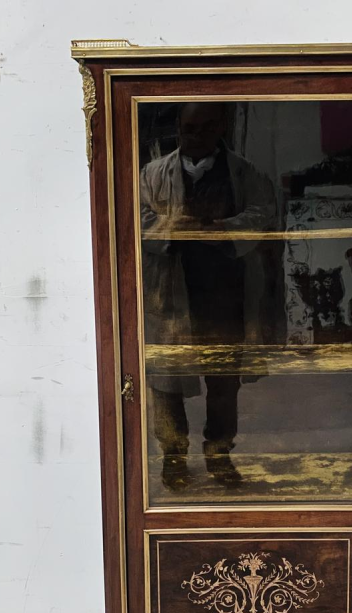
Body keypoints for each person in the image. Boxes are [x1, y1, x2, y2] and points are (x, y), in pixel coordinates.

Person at [139, 102, 283, 491]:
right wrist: (173, 227)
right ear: (178, 127)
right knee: (166, 382)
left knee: (223, 381)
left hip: (225, 294)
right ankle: (173, 457)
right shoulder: (152, 174)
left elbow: (264, 211)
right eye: (189, 128)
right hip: (171, 294)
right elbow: (137, 216)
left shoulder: (245, 172)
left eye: (205, 128)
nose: (195, 135)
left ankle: (219, 455)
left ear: (220, 127)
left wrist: (221, 228)